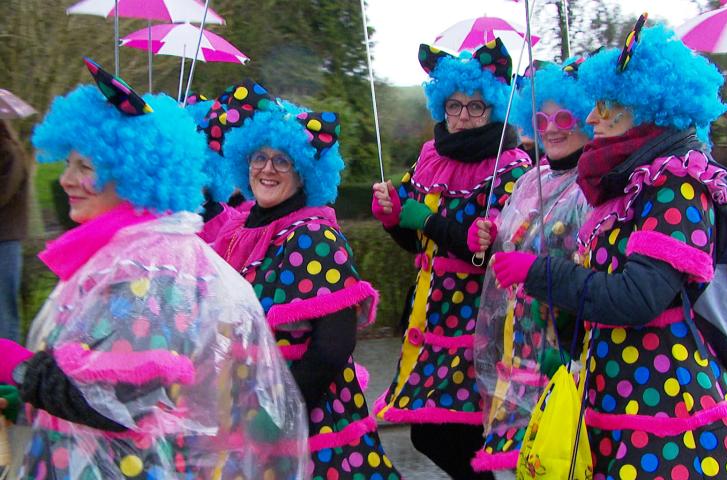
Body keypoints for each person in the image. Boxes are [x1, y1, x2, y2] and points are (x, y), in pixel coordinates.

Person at [488, 20, 727, 479]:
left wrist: (539, 273)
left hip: (663, 397)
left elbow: (638, 296)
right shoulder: (628, 183)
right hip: (615, 388)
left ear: (648, 109)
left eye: (608, 107)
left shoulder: (676, 183)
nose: (592, 119)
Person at [0, 58, 309, 479]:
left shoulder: (154, 267)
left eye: (86, 167)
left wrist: (17, 367)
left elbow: (118, 398)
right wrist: (28, 400)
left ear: (134, 173)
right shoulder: (127, 251)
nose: (67, 179)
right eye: (68, 163)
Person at [200, 80, 400, 480]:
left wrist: (279, 414)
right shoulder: (241, 229)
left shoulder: (313, 234)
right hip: (247, 411)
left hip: (307, 422)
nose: (267, 169)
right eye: (259, 157)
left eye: (282, 161)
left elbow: (333, 345)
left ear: (305, 173)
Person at [371, 39, 531, 479]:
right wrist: (393, 218)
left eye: (475, 106)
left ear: (494, 108)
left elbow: (489, 255)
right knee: (434, 432)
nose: (462, 116)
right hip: (431, 316)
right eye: (454, 105)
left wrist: (427, 220)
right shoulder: (429, 159)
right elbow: (416, 243)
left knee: (451, 434)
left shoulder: (512, 167)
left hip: (478, 321)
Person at [469, 59, 594, 474]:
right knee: (515, 464)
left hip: (562, 355)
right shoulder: (529, 180)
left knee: (553, 462)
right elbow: (512, 250)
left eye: (564, 118)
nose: (551, 129)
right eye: (541, 119)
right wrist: (492, 235)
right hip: (517, 351)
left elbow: (591, 272)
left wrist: (571, 352)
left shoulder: (592, 187)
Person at [0, 119, 28, 343]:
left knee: (4, 309)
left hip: (5, 240)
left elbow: (3, 193)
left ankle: (8, 359)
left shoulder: (9, 153)